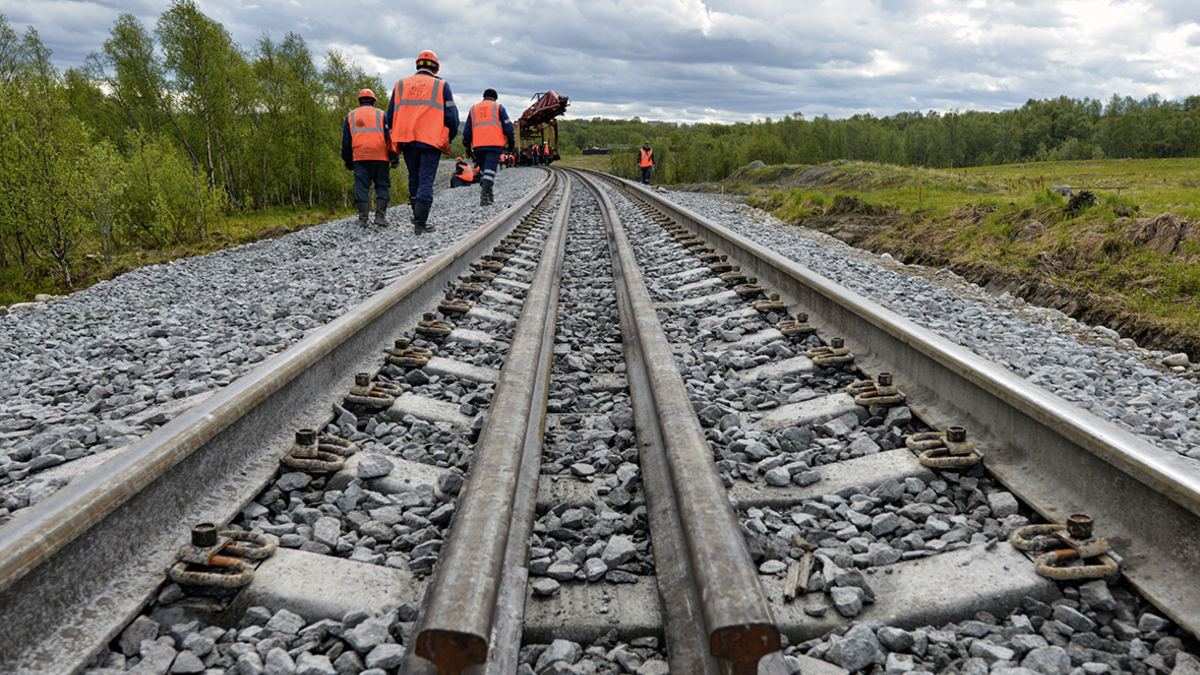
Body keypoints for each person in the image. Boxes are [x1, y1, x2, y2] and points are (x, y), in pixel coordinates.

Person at [386, 50, 459, 234]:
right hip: (431, 140)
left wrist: (395, 142)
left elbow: (390, 117)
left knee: (414, 178)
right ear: (436, 67)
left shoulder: (400, 85)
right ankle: (420, 222)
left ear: (417, 65)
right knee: (426, 179)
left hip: (407, 139)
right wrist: (446, 139)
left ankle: (417, 215)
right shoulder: (442, 85)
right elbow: (452, 118)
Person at [341, 88, 398, 226]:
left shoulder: (351, 115)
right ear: (374, 101)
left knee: (361, 186)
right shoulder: (382, 114)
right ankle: (380, 217)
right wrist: (394, 156)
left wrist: (348, 159)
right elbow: (390, 136)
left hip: (360, 157)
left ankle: (363, 219)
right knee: (383, 186)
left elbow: (346, 141)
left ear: (359, 100)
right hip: (381, 156)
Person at [463, 88, 515, 206]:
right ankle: (484, 197)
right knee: (490, 171)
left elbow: (467, 130)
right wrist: (511, 143)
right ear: (495, 98)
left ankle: (489, 194)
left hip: (478, 145)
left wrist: (467, 145)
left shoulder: (473, 109)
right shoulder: (498, 108)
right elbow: (508, 127)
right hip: (494, 144)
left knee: (484, 170)